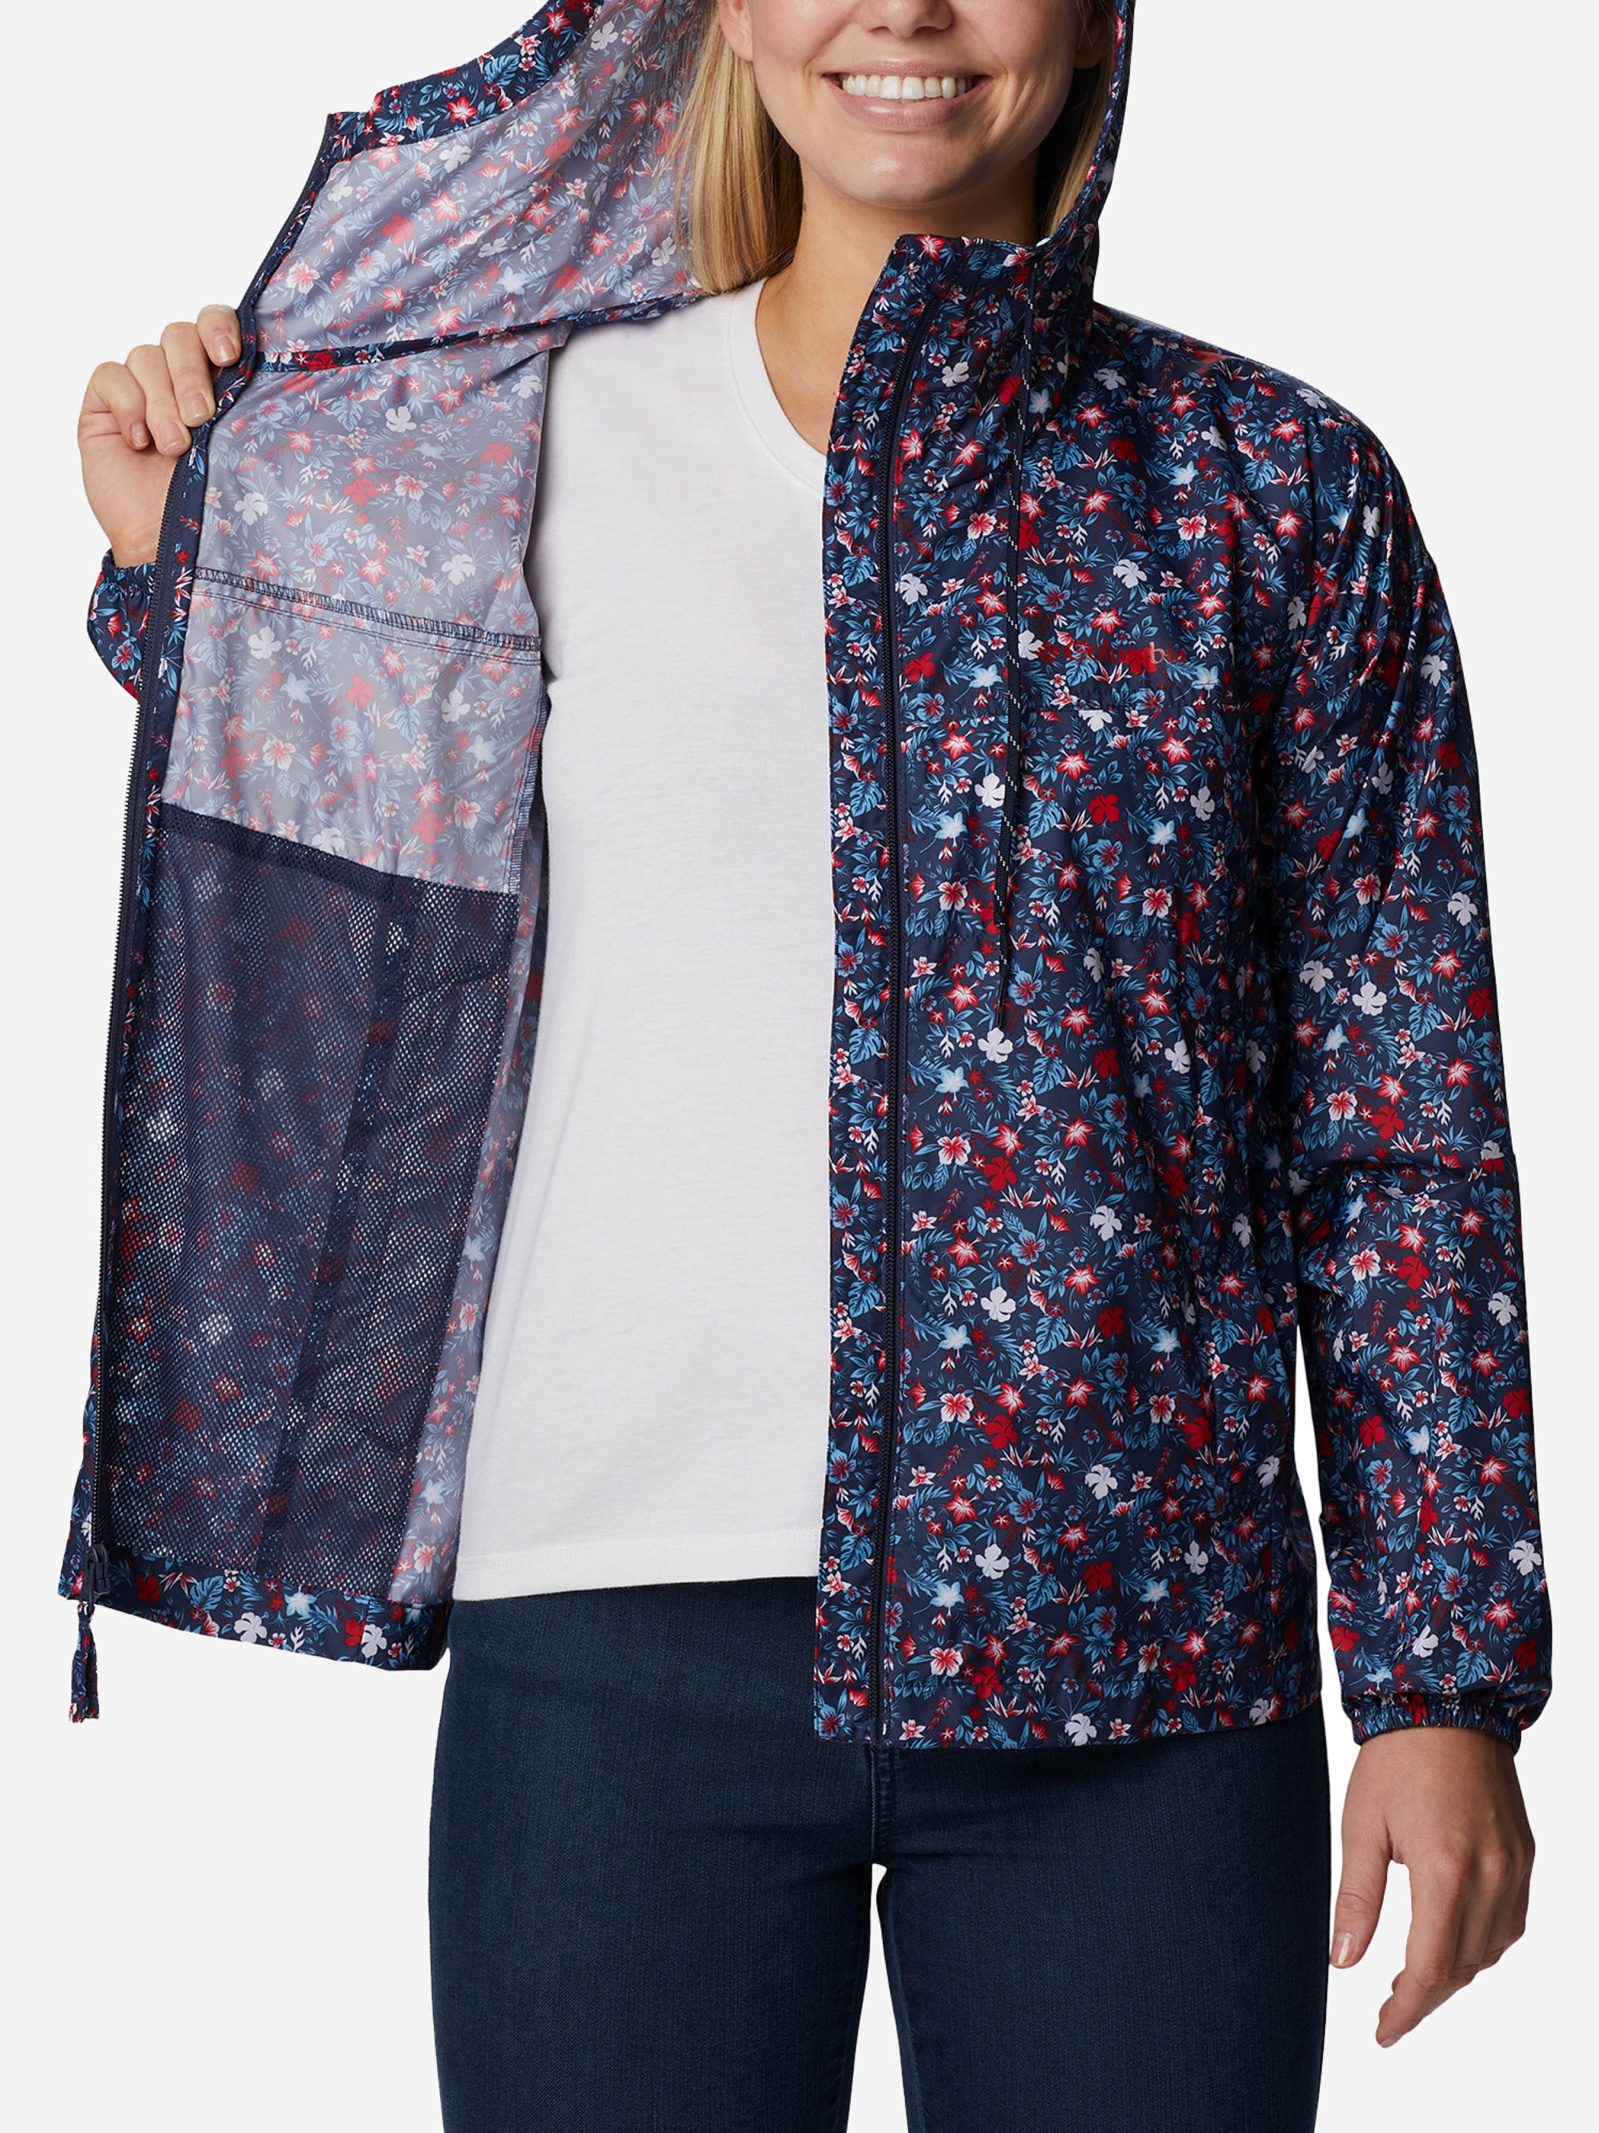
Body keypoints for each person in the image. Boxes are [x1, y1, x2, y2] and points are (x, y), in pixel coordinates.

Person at [70, 3, 1549, 2128]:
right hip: (609, 1640)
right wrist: (179, 546)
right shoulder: (529, 439)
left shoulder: (1273, 492)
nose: (907, 10)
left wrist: (1438, 1678)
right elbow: (341, 848)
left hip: (1136, 1659)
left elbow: (1394, 1124)